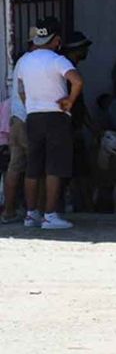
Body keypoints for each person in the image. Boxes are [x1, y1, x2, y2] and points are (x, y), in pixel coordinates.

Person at [17, 17, 84, 229]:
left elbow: (20, 89)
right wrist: (70, 101)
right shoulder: (58, 60)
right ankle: (50, 216)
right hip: (56, 117)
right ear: (56, 40)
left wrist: (31, 105)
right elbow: (77, 81)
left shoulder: (25, 61)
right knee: (55, 166)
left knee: (33, 167)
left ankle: (30, 215)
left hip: (33, 117)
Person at [1, 27, 38, 223]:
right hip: (28, 120)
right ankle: (34, 213)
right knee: (36, 168)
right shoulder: (32, 62)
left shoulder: (22, 62)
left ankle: (8, 212)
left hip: (17, 120)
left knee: (14, 167)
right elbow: (27, 93)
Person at [62, 31, 98, 212]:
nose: (87, 52)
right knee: (78, 172)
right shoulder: (67, 72)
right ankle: (85, 207)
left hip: (70, 128)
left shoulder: (68, 68)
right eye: (84, 48)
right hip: (68, 130)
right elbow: (76, 106)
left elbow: (81, 107)